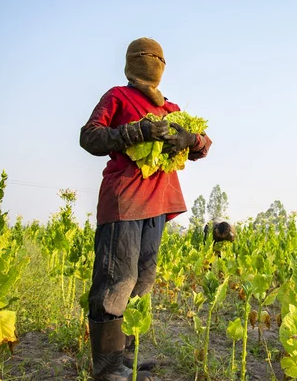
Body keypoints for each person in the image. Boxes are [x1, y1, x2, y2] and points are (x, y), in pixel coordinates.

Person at [80, 37, 212, 381]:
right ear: (130, 63)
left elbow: (204, 145)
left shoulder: (171, 109)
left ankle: (124, 356)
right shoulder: (116, 96)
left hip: (158, 204)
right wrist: (135, 131)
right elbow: (90, 137)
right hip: (123, 200)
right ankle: (107, 367)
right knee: (116, 280)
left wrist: (189, 140)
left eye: (156, 58)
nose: (151, 62)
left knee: (142, 281)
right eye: (144, 56)